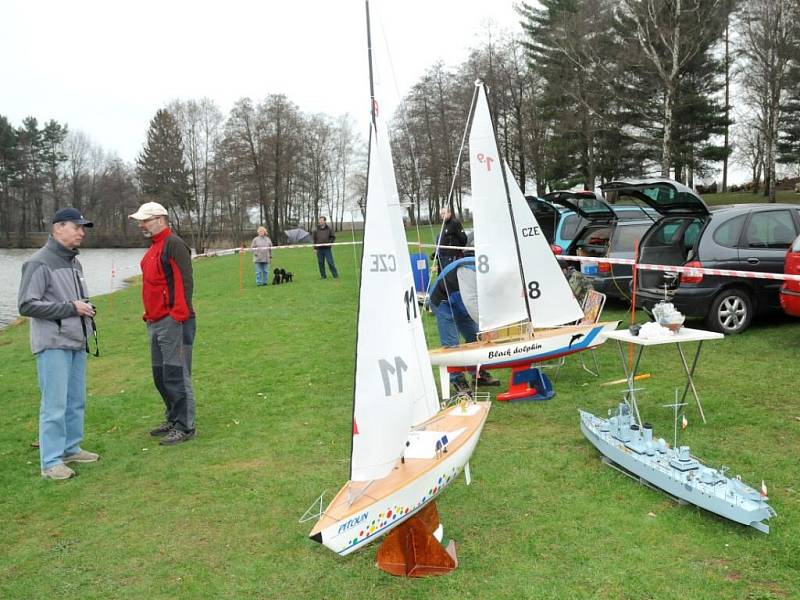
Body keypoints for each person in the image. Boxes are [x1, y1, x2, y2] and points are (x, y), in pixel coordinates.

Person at [18, 207, 99, 480]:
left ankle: (70, 448)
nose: (81, 232)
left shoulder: (75, 262)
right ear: (57, 228)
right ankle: (50, 462)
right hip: (52, 343)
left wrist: (84, 308)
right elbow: (27, 305)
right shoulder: (38, 262)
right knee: (54, 404)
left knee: (76, 400)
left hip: (76, 340)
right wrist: (70, 308)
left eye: (82, 228)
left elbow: (72, 302)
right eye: (76, 227)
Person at [129, 202, 196, 445]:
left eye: (145, 220)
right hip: (155, 320)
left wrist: (178, 314)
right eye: (141, 221)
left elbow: (184, 282)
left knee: (176, 374)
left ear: (160, 219)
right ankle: (172, 417)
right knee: (160, 375)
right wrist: (150, 314)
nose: (141, 225)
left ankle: (185, 426)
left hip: (174, 321)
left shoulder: (174, 245)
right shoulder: (153, 248)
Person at [428, 234, 500, 395]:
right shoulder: (468, 268)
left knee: (474, 337)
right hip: (443, 302)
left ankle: (478, 374)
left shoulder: (489, 268)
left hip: (461, 302)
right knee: (452, 345)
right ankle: (458, 380)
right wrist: (486, 326)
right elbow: (471, 301)